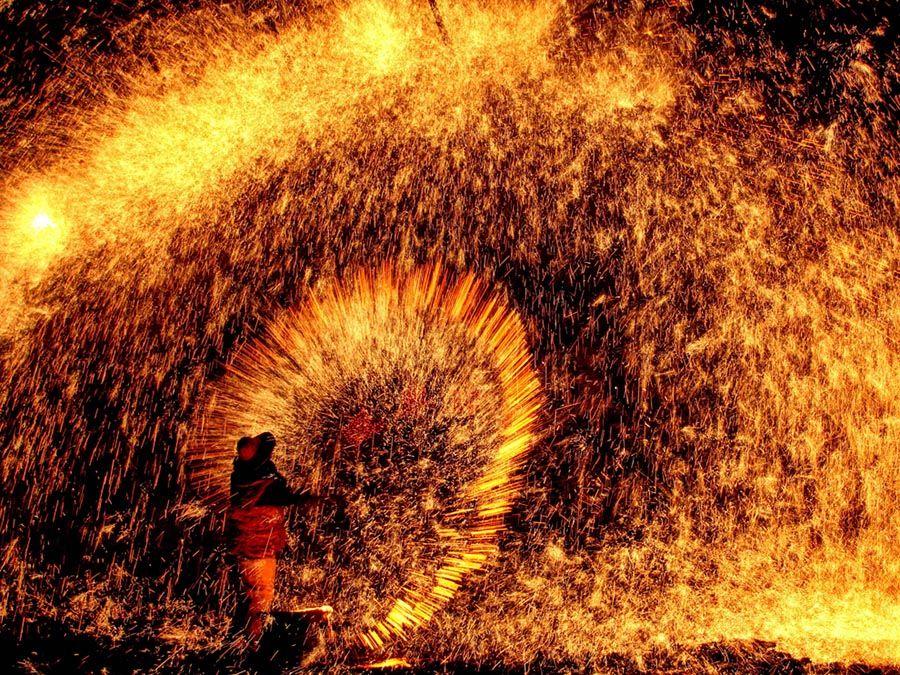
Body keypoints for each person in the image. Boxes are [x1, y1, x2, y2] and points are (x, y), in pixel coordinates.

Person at [226, 431, 320, 641]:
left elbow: (267, 438)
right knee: (260, 597)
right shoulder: (264, 485)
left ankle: (238, 639)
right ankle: (251, 644)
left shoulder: (241, 475)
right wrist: (316, 498)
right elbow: (289, 497)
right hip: (259, 551)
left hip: (243, 548)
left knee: (248, 598)